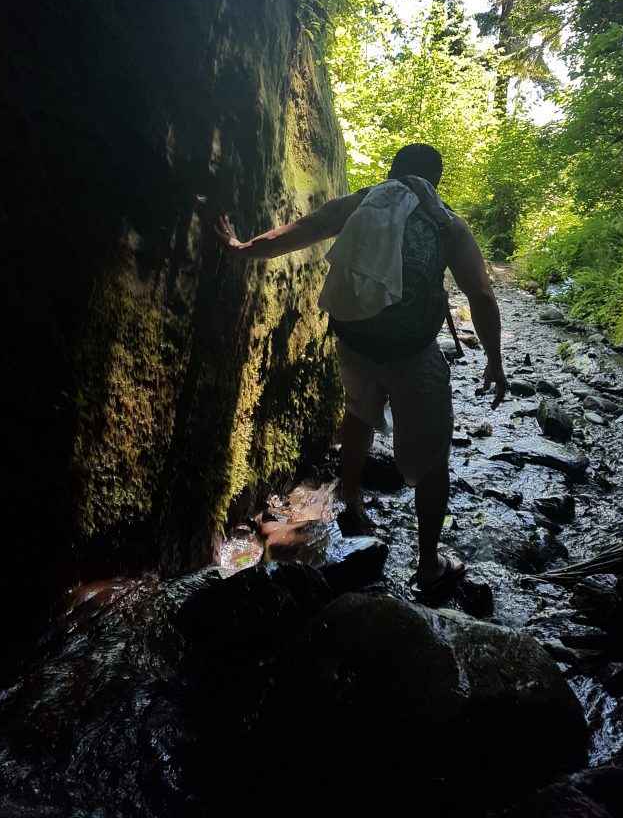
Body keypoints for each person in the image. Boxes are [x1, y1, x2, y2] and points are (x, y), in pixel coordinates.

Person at [214, 143, 507, 601]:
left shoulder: (364, 203)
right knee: (431, 460)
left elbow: (303, 229)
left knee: (359, 414)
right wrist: (495, 360)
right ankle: (429, 566)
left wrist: (241, 248)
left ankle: (351, 503)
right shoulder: (447, 223)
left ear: (392, 172)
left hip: (355, 344)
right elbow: (483, 297)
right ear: (436, 181)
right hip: (413, 357)